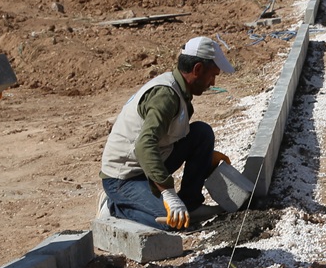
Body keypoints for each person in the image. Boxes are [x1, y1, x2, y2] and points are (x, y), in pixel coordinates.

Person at [100, 36, 233, 231]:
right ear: (197, 69)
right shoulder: (165, 96)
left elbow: (169, 137)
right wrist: (169, 194)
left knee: (202, 133)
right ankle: (115, 207)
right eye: (212, 75)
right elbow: (144, 145)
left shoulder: (180, 89)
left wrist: (203, 157)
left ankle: (191, 204)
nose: (213, 82)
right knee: (172, 222)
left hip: (146, 165)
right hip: (124, 178)